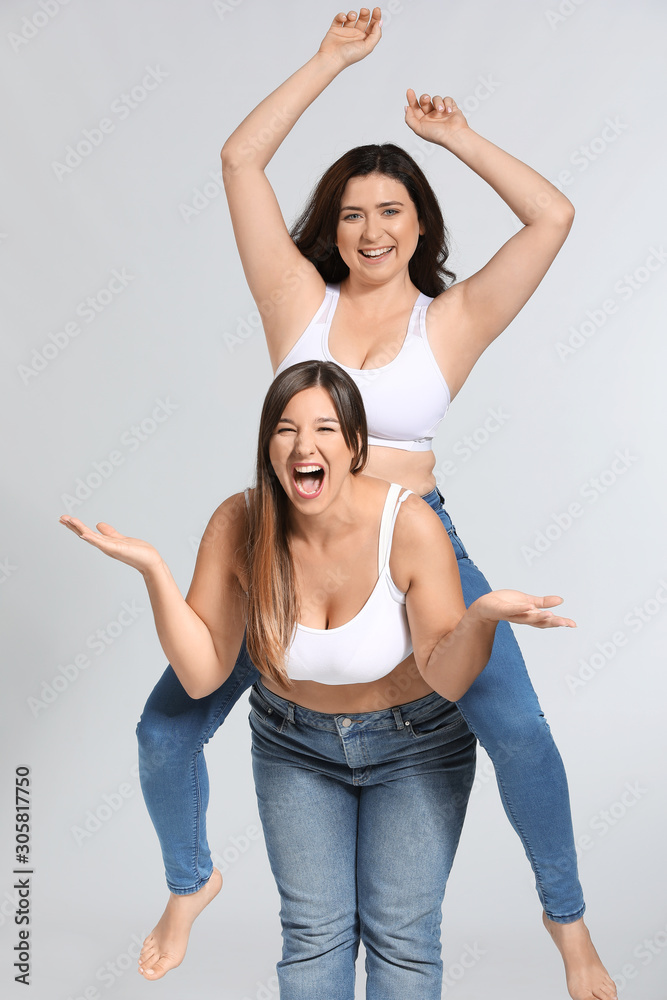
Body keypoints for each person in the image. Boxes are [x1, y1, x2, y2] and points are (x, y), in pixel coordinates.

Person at [134, 9, 618, 1000]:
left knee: (519, 731)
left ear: (420, 225)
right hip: (289, 548)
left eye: (392, 210)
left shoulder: (455, 320)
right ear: (332, 224)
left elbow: (554, 217)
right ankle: (191, 880)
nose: (370, 229)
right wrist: (329, 61)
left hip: (411, 548)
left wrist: (456, 137)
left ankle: (566, 923)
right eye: (352, 211)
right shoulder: (295, 303)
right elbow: (238, 160)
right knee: (167, 726)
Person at [61, 361, 578, 998]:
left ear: (355, 446)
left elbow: (448, 678)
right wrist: (153, 570)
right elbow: (201, 678)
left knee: (404, 944)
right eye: (286, 430)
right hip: (293, 743)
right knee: (312, 937)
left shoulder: (408, 524)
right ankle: (189, 885)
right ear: (268, 448)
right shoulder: (240, 523)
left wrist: (481, 616)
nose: (305, 445)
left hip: (416, 745)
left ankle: (570, 922)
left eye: (326, 428)